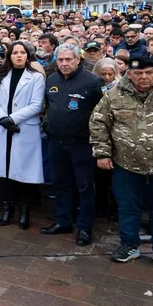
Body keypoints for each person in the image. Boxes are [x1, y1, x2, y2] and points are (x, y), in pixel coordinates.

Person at [90, 55, 153, 272]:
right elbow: (99, 123)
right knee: (127, 207)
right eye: (138, 73)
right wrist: (102, 154)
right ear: (129, 74)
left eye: (149, 73)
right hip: (126, 164)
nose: (144, 77)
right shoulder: (115, 95)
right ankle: (129, 244)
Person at [40, 43, 105, 245]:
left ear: (78, 59)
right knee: (60, 182)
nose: (65, 63)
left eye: (69, 59)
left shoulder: (94, 81)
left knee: (85, 186)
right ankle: (63, 221)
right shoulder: (52, 79)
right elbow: (48, 106)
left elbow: (103, 112)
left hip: (82, 143)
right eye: (60, 60)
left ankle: (85, 228)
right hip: (56, 140)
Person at [0, 41, 45, 230]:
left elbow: (36, 104)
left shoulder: (36, 77)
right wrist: (3, 118)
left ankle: (24, 211)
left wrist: (13, 119)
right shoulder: (1, 75)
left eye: (22, 53)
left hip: (24, 128)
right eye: (15, 53)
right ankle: (6, 208)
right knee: (4, 171)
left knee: (23, 172)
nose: (19, 56)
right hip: (2, 127)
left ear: (28, 55)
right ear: (9, 56)